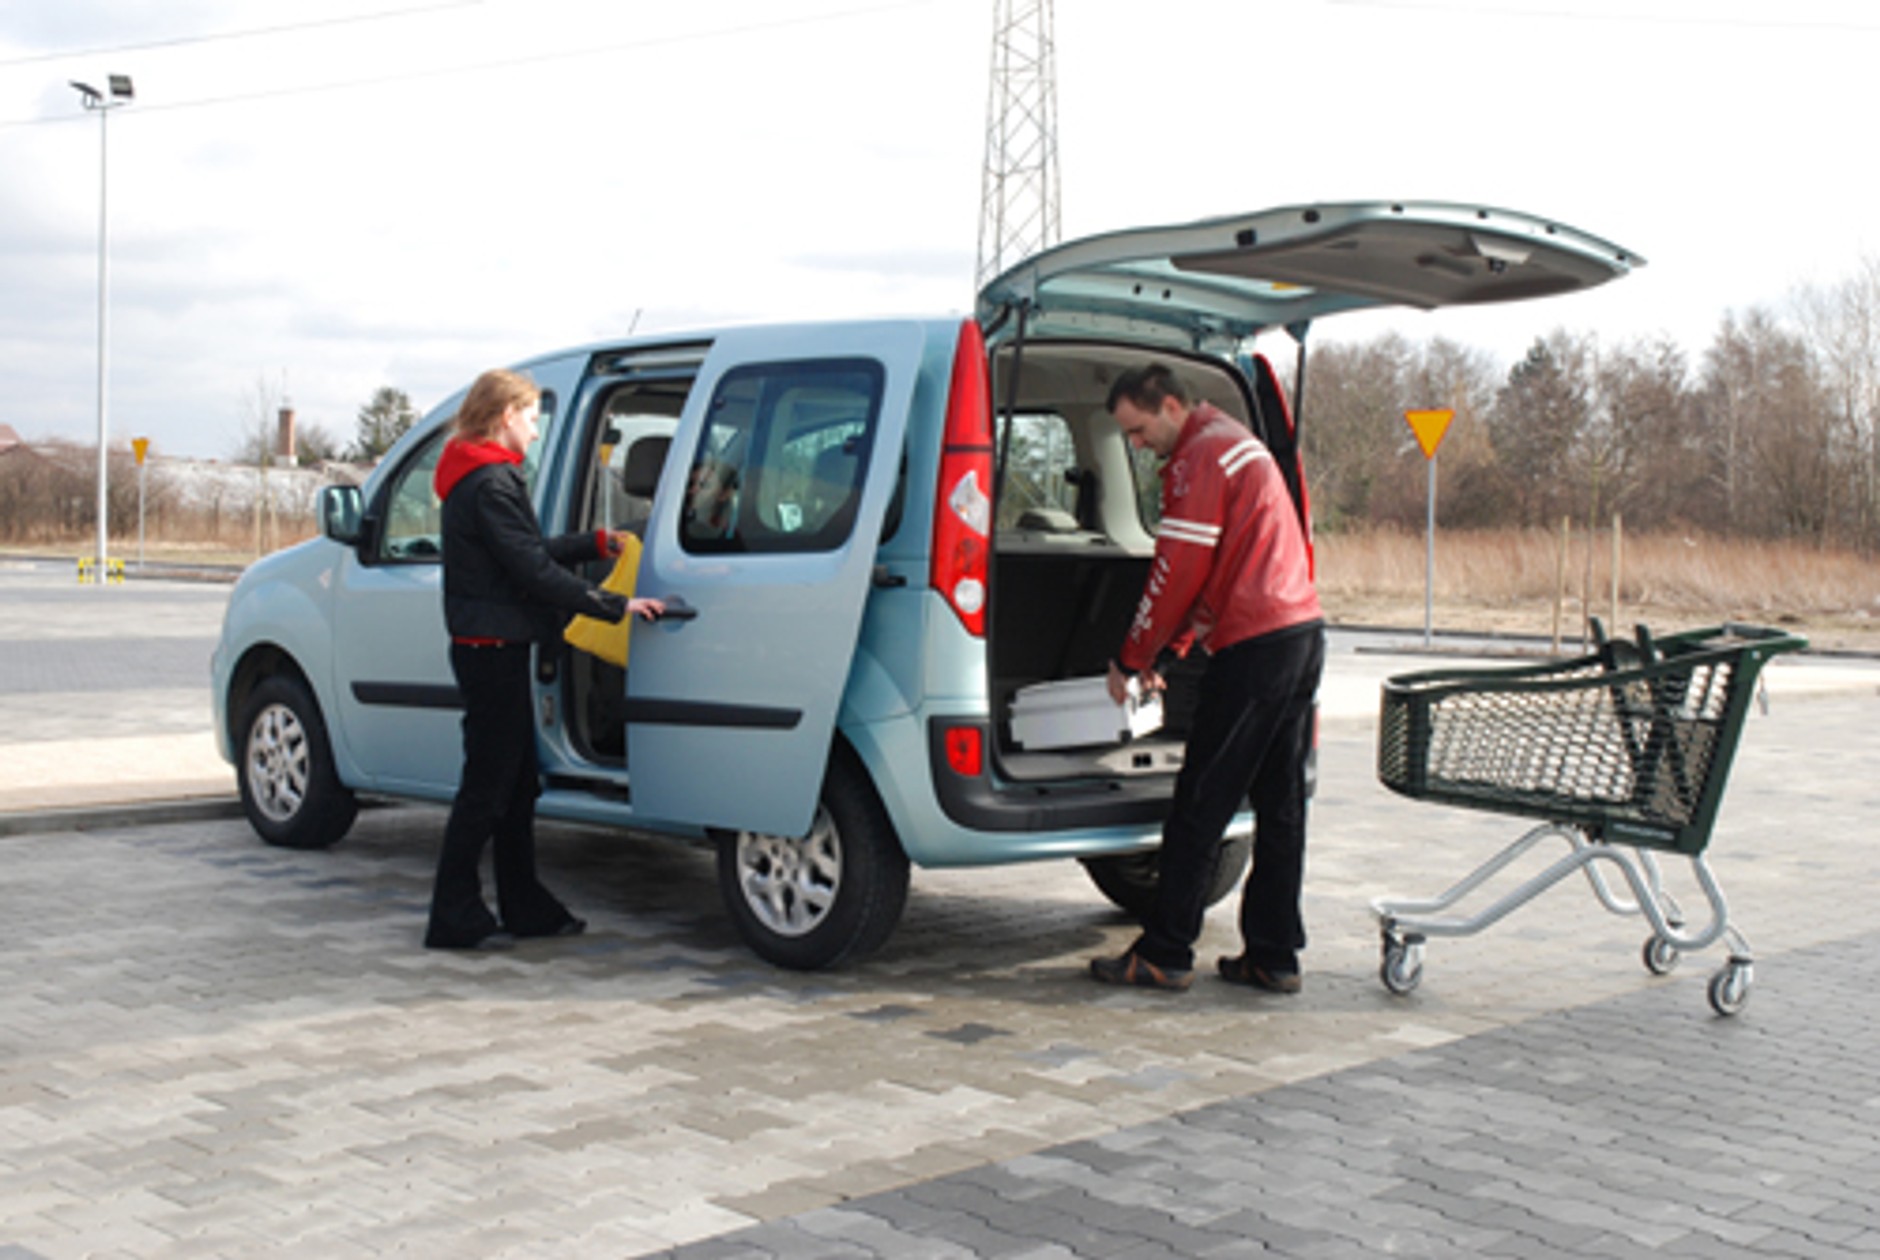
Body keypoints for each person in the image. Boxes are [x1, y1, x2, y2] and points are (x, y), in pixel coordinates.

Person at [1089, 363, 1325, 993]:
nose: (1136, 448)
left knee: (1201, 803)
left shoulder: (1198, 457)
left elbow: (1178, 570)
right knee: (1281, 807)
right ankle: (1274, 955)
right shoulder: (1235, 443)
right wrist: (1177, 651)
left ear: (1169, 406)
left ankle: (1166, 951)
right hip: (1301, 634)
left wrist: (1133, 658)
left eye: (1137, 432)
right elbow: (1221, 565)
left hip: (1255, 647)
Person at [426, 368, 665, 950]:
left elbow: (523, 553)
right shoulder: (488, 484)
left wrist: (594, 544)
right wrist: (617, 603)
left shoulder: (485, 479)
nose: (535, 433)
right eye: (532, 418)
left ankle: (523, 904)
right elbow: (530, 570)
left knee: (515, 785)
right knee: (488, 787)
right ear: (505, 414)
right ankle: (453, 913)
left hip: (492, 646)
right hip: (491, 651)